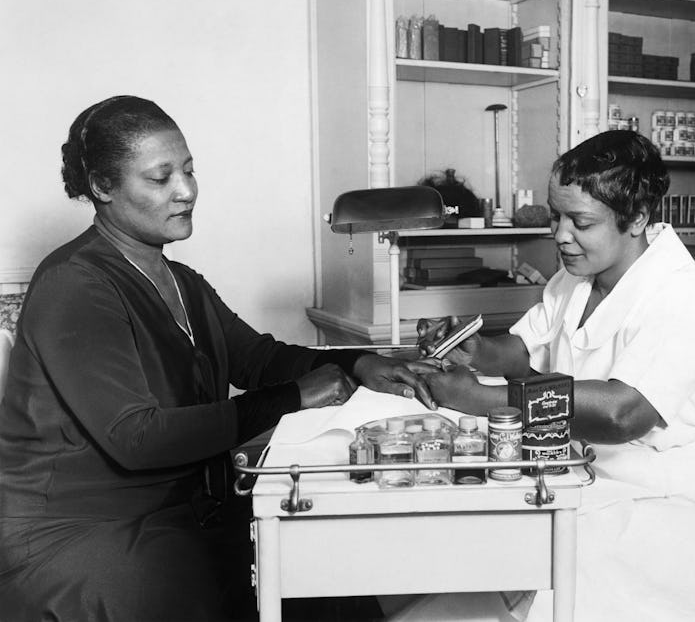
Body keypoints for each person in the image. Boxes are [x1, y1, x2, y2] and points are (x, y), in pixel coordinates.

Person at [0, 95, 438, 622]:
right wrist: (293, 399)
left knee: (322, 573)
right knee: (253, 584)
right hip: (81, 531)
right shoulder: (74, 284)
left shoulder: (183, 284)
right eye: (160, 179)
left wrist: (357, 364)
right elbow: (138, 438)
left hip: (179, 511)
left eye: (188, 170)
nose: (186, 191)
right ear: (102, 187)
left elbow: (257, 359)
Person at [414, 130, 695, 622]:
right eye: (557, 216)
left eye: (580, 222)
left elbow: (623, 414)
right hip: (597, 482)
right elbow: (525, 349)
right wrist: (478, 350)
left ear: (637, 218)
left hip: (679, 515)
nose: (560, 234)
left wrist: (482, 401)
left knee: (530, 568)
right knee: (478, 545)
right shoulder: (576, 276)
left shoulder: (680, 292)